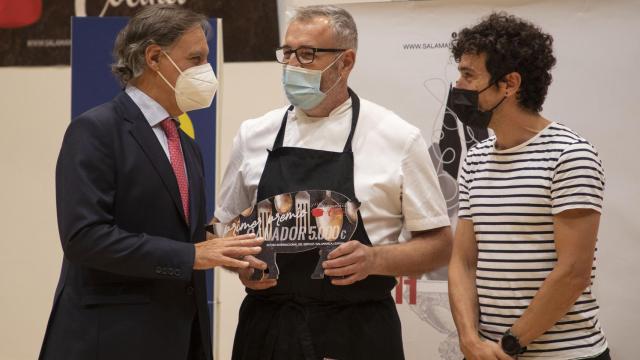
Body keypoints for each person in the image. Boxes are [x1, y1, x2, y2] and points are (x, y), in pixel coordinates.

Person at [214, 5, 453, 360]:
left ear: (346, 61)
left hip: (356, 331)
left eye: (308, 54)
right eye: (288, 53)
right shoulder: (254, 134)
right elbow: (220, 229)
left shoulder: (397, 138)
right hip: (268, 329)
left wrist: (374, 260)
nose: (293, 64)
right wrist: (239, 264)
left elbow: (438, 245)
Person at [39, 5, 263, 360]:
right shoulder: (95, 130)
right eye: (196, 58)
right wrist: (191, 255)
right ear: (155, 58)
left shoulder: (186, 143)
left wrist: (228, 253)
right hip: (110, 340)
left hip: (181, 336)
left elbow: (180, 233)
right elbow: (84, 237)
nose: (207, 71)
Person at [447, 13, 610, 360]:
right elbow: (462, 261)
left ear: (510, 84)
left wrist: (510, 345)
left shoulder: (570, 155)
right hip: (484, 352)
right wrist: (469, 341)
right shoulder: (475, 158)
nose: (458, 85)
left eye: (468, 74)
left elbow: (573, 272)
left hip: (563, 354)